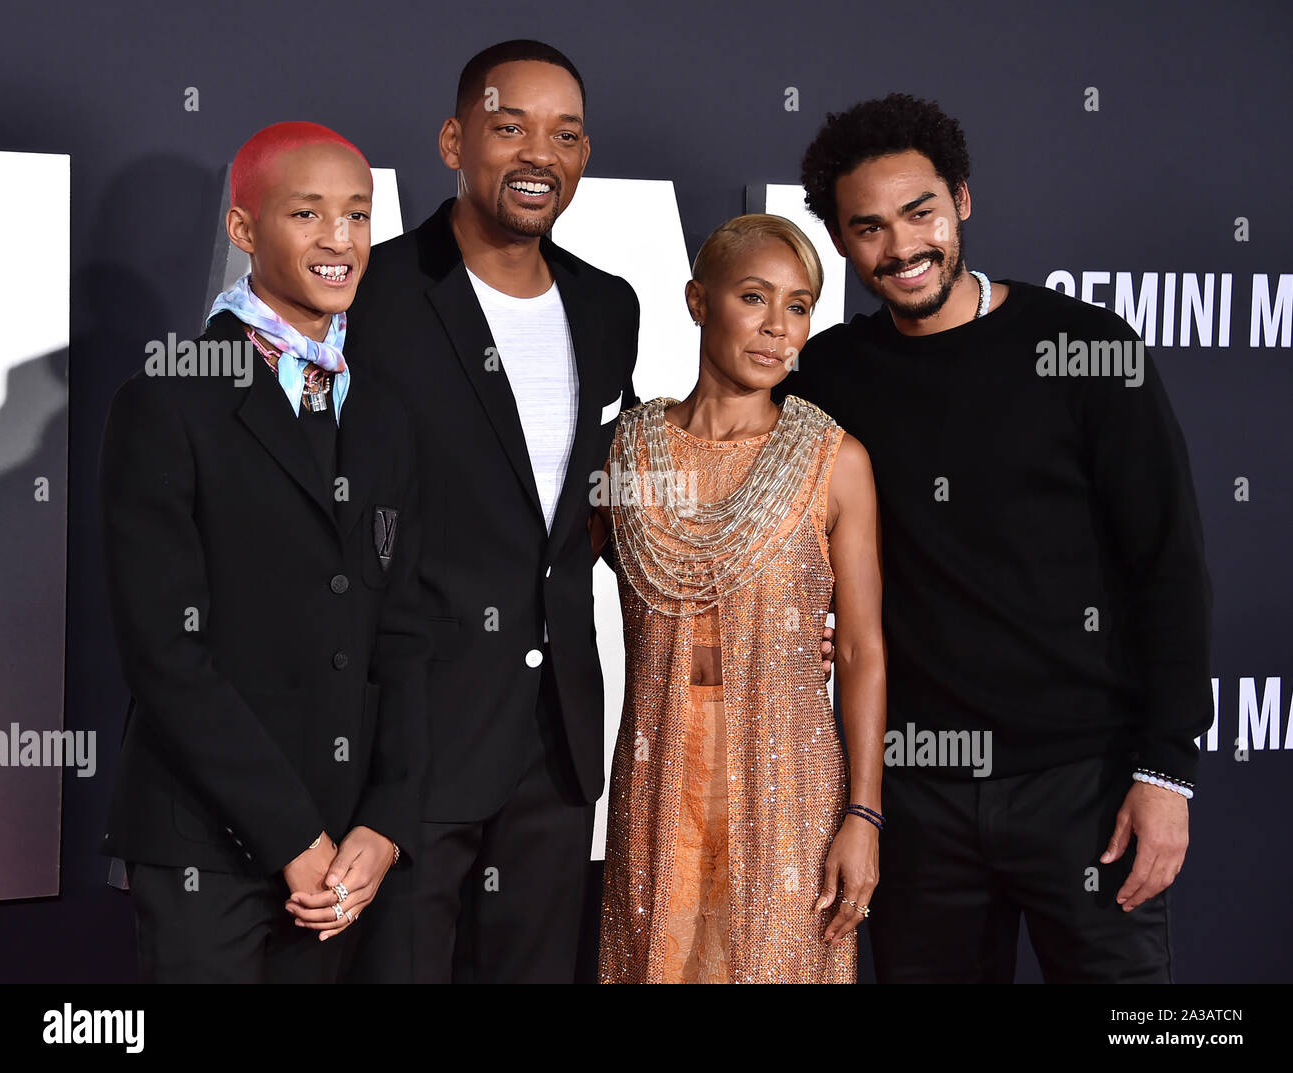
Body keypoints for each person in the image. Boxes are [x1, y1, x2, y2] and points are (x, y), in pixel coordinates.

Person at [780, 93, 1212, 983]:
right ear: (838, 240)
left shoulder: (1088, 351)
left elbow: (1168, 567)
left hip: (1085, 785)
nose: (902, 248)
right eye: (867, 228)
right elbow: (766, 521)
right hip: (914, 795)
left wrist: (1166, 774)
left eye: (920, 212)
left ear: (963, 201)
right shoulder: (829, 375)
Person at [99, 122, 427, 983]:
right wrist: (295, 840)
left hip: (344, 860)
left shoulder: (384, 417)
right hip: (207, 845)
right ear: (244, 230)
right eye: (308, 214)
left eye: (357, 216)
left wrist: (384, 825)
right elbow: (166, 655)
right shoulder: (167, 400)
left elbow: (405, 634)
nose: (340, 241)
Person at [342, 40, 640, 984]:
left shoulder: (607, 305)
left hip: (554, 748)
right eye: (510, 127)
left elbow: (600, 505)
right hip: (409, 745)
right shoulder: (372, 291)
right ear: (453, 139)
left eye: (565, 134)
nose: (538, 155)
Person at [596, 214, 886, 984]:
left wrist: (864, 813)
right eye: (754, 297)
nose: (777, 327)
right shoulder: (627, 450)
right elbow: (538, 583)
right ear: (698, 300)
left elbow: (859, 651)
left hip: (790, 787)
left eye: (798, 306)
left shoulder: (835, 460)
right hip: (659, 779)